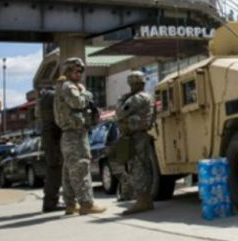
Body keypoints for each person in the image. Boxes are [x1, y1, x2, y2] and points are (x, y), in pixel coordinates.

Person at [53, 58, 106, 215]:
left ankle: (70, 204)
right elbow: (77, 102)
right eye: (75, 71)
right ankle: (86, 204)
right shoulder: (69, 86)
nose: (78, 74)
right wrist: (87, 94)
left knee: (69, 171)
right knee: (81, 167)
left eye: (80, 71)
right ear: (68, 71)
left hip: (71, 133)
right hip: (75, 134)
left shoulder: (65, 85)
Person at [115, 71, 155, 215]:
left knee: (137, 167)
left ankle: (142, 200)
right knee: (142, 166)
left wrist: (121, 100)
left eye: (132, 84)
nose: (131, 87)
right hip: (140, 135)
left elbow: (120, 113)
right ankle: (145, 200)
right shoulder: (146, 96)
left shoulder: (137, 98)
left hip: (136, 136)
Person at [37, 87, 64, 212]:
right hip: (53, 140)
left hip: (49, 140)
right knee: (54, 170)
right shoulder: (52, 98)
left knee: (53, 170)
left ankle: (51, 200)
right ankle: (50, 202)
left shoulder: (44, 102)